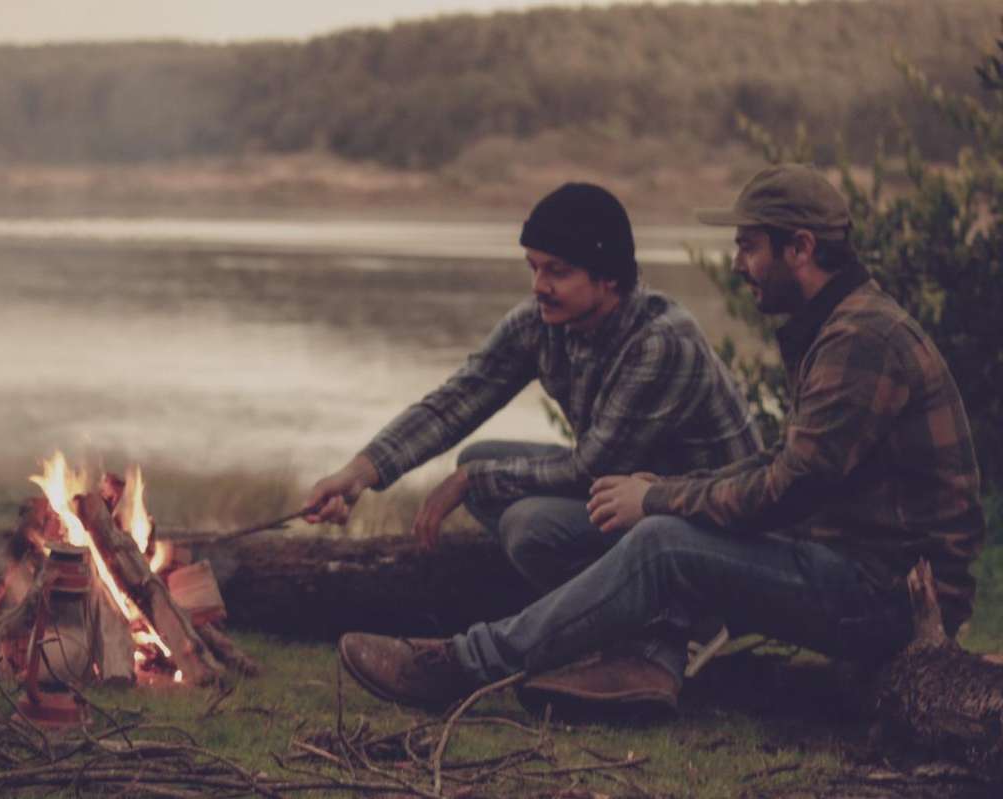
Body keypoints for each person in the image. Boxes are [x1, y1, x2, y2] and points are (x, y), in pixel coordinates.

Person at [334, 165, 984, 716]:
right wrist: (367, 467)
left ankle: (460, 665)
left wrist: (658, 500)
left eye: (749, 246)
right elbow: (464, 392)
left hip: (891, 597)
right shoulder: (838, 326)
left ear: (801, 247)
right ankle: (625, 640)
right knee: (541, 489)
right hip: (853, 567)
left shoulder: (857, 340)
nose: (737, 264)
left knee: (654, 541)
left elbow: (787, 489)